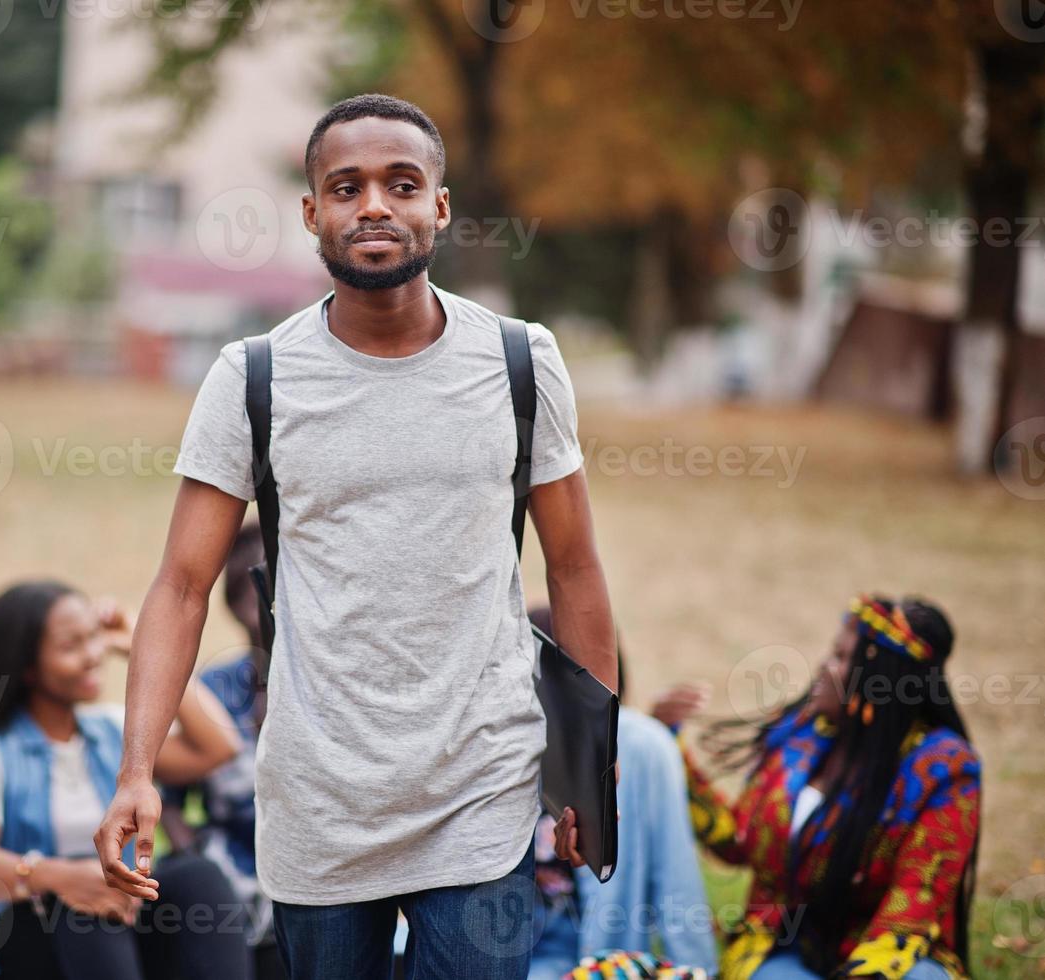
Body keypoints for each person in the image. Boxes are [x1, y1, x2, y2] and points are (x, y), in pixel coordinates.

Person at [94, 92, 619, 980]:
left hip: (479, 787)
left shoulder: (521, 362)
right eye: (346, 187)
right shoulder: (251, 379)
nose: (374, 205)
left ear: (438, 208)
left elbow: (572, 567)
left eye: (401, 184)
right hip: (317, 802)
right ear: (312, 213)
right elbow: (181, 587)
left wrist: (586, 767)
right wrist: (135, 770)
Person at [652, 594, 982, 979]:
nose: (825, 666)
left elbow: (911, 906)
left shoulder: (944, 771)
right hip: (785, 945)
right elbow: (738, 839)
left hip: (892, 957)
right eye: (832, 652)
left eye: (842, 658)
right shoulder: (798, 736)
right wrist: (666, 747)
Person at [0, 580, 250, 980]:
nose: (93, 656)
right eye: (71, 647)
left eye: (94, 638)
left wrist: (142, 647)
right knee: (85, 909)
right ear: (26, 667)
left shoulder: (109, 729)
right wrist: (66, 879)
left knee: (194, 878)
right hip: (25, 934)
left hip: (122, 929)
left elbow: (217, 747)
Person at [522, 607, 718, 978]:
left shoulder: (645, 746)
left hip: (597, 952)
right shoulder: (508, 739)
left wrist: (699, 969)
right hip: (516, 943)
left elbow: (676, 877)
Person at [158, 522, 284, 978]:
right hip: (225, 878)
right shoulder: (214, 687)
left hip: (312, 871)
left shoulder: (327, 684)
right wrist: (193, 855)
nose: (257, 602)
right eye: (243, 586)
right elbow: (167, 794)